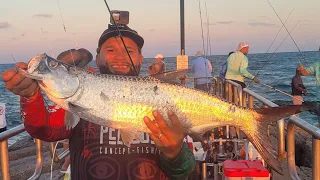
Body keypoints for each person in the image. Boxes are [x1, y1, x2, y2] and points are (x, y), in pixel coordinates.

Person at [2, 23, 195, 179]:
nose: (120, 57)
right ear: (97, 57)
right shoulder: (78, 100)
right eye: (110, 50)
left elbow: (186, 170)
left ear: (140, 58)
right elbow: (44, 129)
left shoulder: (166, 97)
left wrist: (174, 153)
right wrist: (30, 97)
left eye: (129, 50)